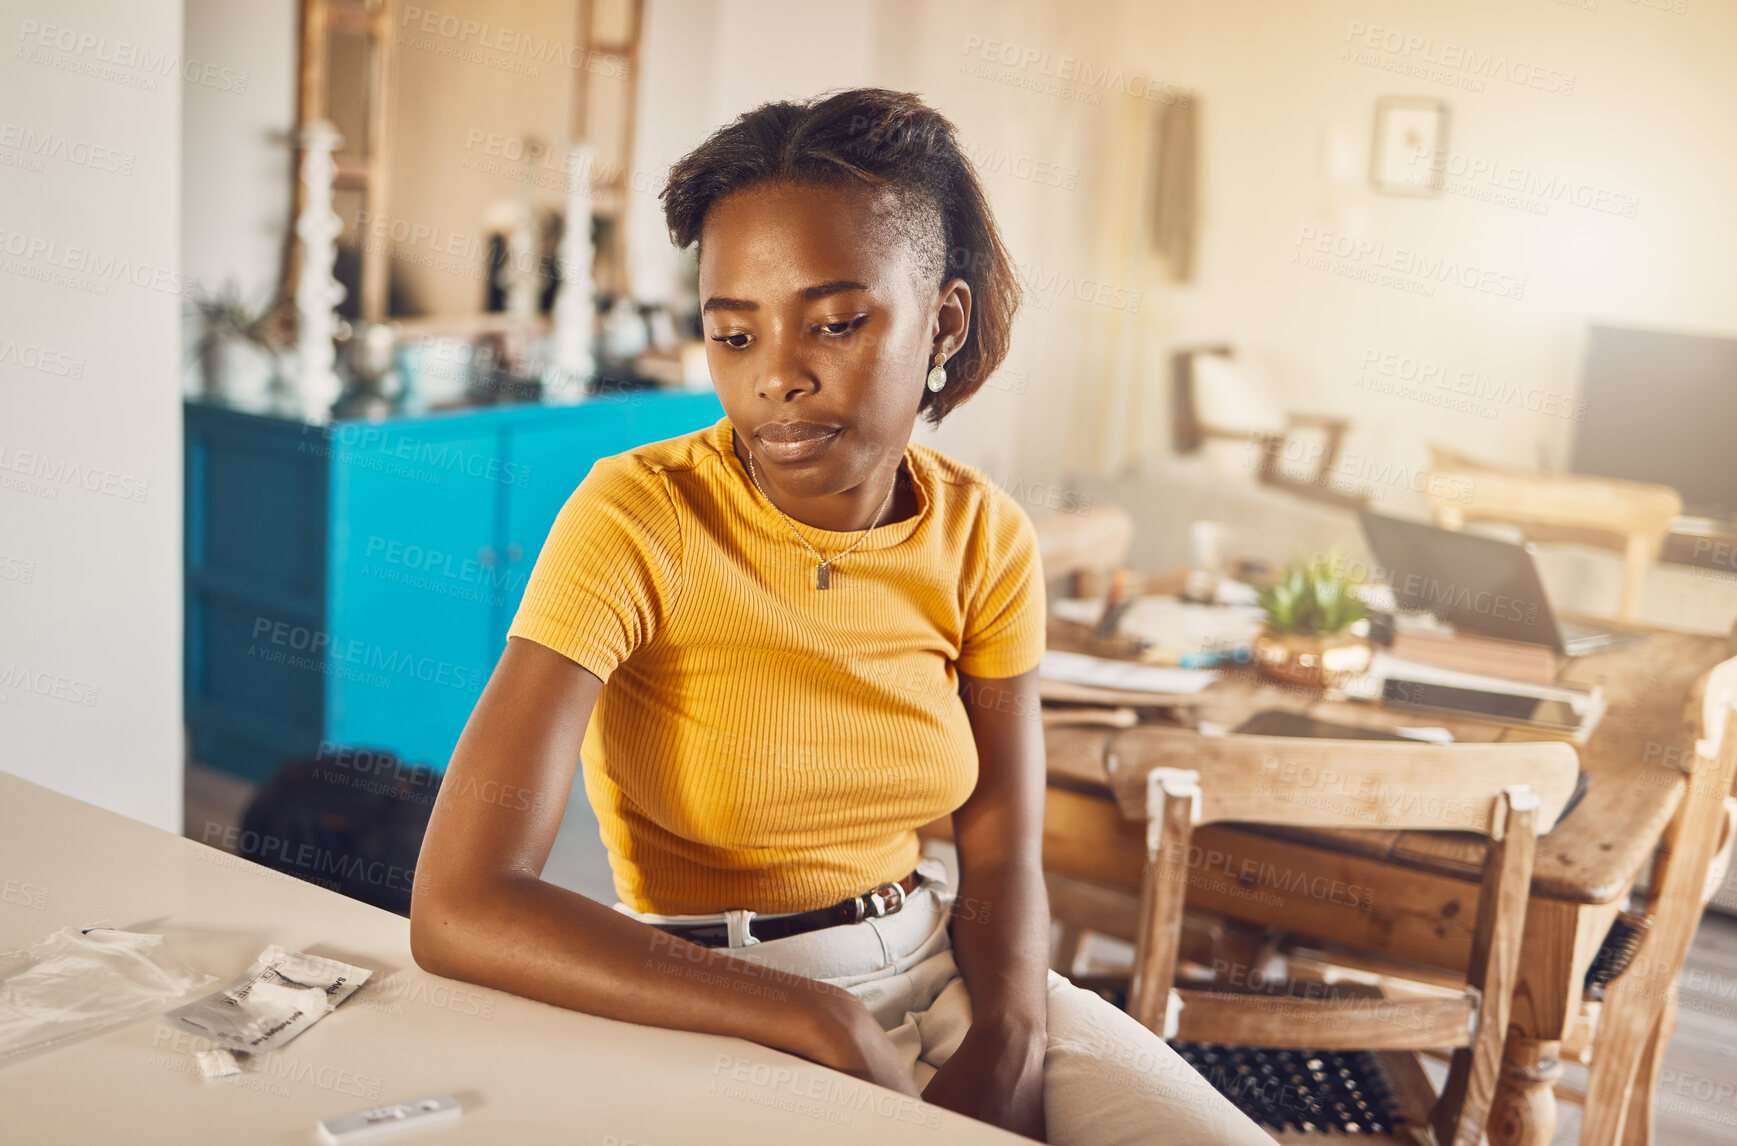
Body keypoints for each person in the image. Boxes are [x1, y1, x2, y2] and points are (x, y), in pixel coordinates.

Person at [410, 87, 1269, 1146]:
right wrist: (815, 1017)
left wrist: (1005, 1035)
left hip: (944, 969)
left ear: (943, 321)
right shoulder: (638, 517)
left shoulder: (984, 537)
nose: (776, 377)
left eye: (836, 323)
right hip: (716, 1000)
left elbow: (999, 846)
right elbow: (460, 904)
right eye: (733, 334)